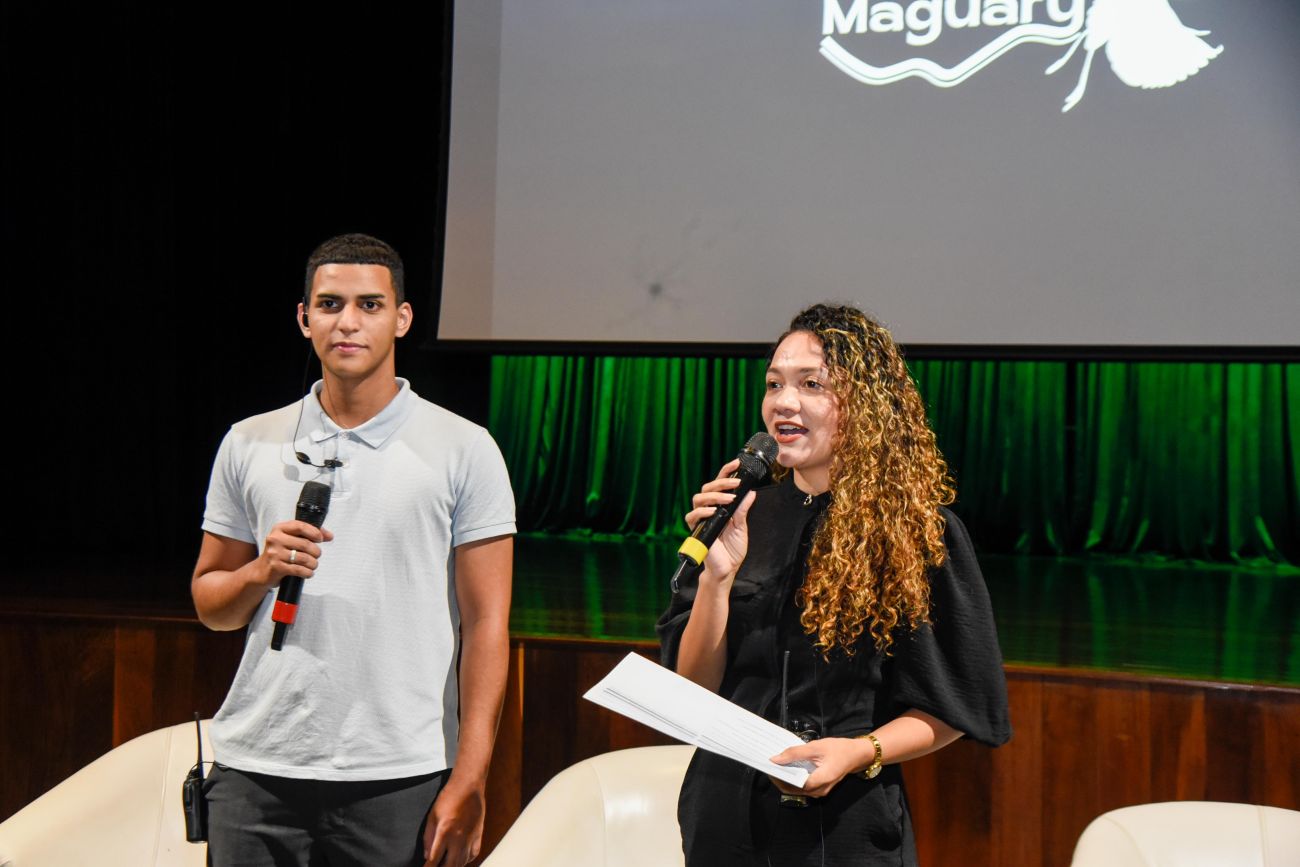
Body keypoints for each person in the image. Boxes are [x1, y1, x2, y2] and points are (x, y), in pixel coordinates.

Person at [192, 233, 515, 867]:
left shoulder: (464, 448)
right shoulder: (248, 441)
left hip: (398, 774)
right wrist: (260, 571)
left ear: (402, 318)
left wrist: (472, 775)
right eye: (330, 304)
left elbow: (487, 625)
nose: (348, 322)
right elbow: (212, 607)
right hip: (254, 770)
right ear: (303, 318)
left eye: (370, 305)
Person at [657, 303, 1010, 866]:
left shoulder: (916, 532)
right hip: (721, 821)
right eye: (774, 384)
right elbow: (694, 689)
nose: (783, 402)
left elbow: (954, 707)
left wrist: (857, 752)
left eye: (811, 384)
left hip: (842, 829)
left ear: (865, 404)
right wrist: (718, 579)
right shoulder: (743, 517)